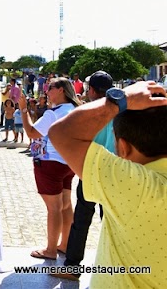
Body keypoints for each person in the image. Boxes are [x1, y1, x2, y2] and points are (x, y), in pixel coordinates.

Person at [48, 81, 167, 288]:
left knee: (82, 221)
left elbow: (61, 133)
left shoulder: (141, 187)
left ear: (122, 148)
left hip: (100, 176)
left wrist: (121, 99)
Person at [52, 71, 114, 282]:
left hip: (91, 171)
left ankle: (72, 266)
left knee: (81, 220)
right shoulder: (120, 110)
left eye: (88, 89)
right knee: (111, 222)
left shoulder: (88, 111)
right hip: (116, 173)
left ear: (93, 90)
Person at [18, 77, 81, 261]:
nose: (46, 90)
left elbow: (31, 133)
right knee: (66, 204)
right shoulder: (75, 109)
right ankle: (64, 244)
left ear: (61, 90)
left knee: (54, 208)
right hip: (68, 162)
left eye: (50, 87)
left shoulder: (53, 114)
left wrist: (23, 109)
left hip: (50, 161)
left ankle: (51, 250)